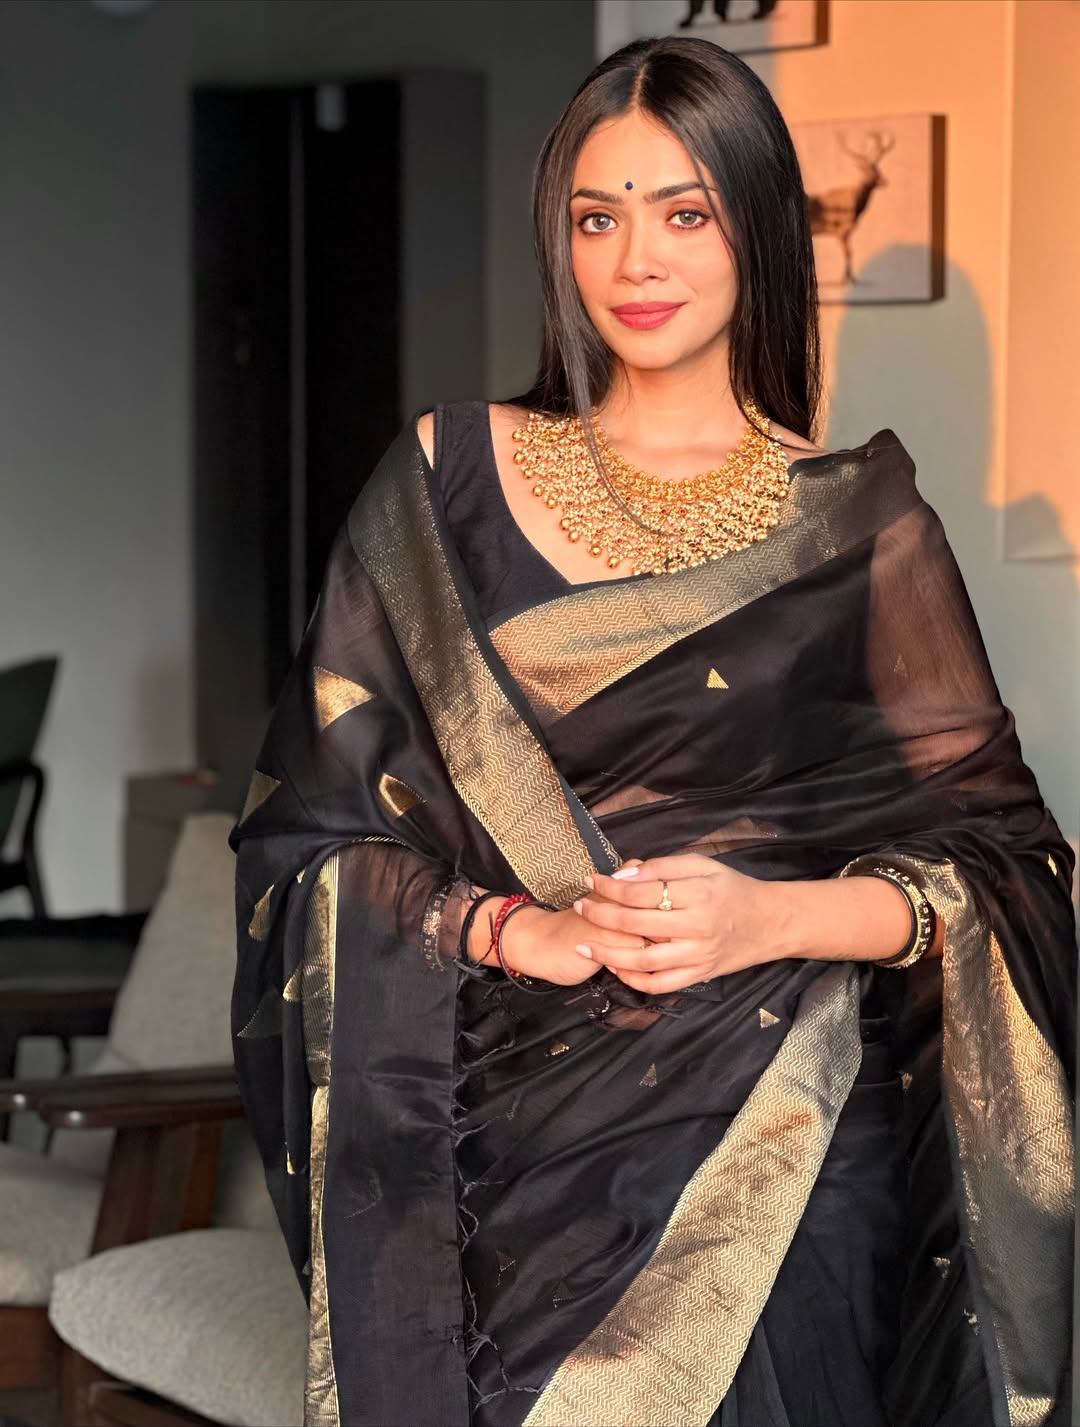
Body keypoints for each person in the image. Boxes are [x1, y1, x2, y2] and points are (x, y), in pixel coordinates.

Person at [231, 36, 1075, 1427]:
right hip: (496, 1142)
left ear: (751, 227)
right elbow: (312, 839)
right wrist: (515, 931)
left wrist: (776, 920)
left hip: (787, 1139)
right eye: (597, 215)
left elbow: (1010, 871)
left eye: (683, 212)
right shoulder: (443, 485)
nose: (637, 259)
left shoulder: (859, 527)